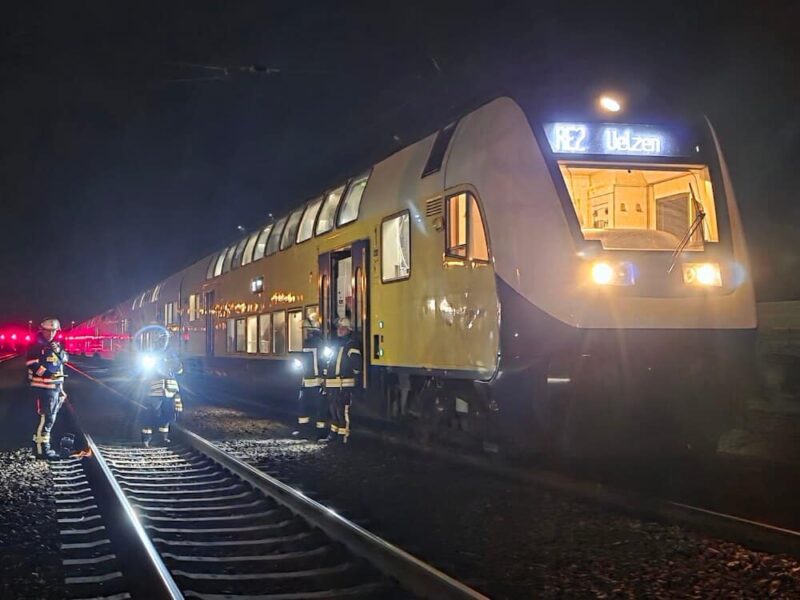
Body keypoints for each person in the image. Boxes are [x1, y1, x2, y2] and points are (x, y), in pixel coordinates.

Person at [27, 318, 67, 459]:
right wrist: (48, 374)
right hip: (42, 388)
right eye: (48, 330)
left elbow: (60, 364)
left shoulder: (56, 345)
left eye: (53, 331)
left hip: (54, 388)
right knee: (44, 418)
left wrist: (61, 388)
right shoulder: (35, 345)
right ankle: (41, 450)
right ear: (42, 330)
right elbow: (32, 364)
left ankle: (44, 447)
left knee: (50, 418)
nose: (51, 333)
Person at [323, 317, 362, 443]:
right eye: (339, 328)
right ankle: (334, 433)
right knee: (333, 410)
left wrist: (351, 378)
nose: (340, 330)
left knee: (343, 411)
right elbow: (328, 363)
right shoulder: (336, 345)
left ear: (348, 330)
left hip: (344, 384)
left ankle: (344, 436)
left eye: (343, 328)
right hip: (333, 384)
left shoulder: (352, 345)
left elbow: (357, 365)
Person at [141, 351, 183, 447]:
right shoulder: (152, 354)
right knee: (151, 413)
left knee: (168, 414)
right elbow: (146, 372)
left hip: (170, 392)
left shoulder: (171, 354)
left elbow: (179, 370)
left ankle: (163, 438)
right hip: (156, 391)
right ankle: (146, 439)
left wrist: (173, 361)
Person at [295, 313, 326, 438]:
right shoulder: (309, 343)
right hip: (307, 380)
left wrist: (323, 378)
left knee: (317, 407)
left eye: (307, 329)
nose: (305, 332)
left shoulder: (317, 343)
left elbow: (322, 362)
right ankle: (306, 429)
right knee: (305, 406)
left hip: (316, 381)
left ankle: (317, 432)